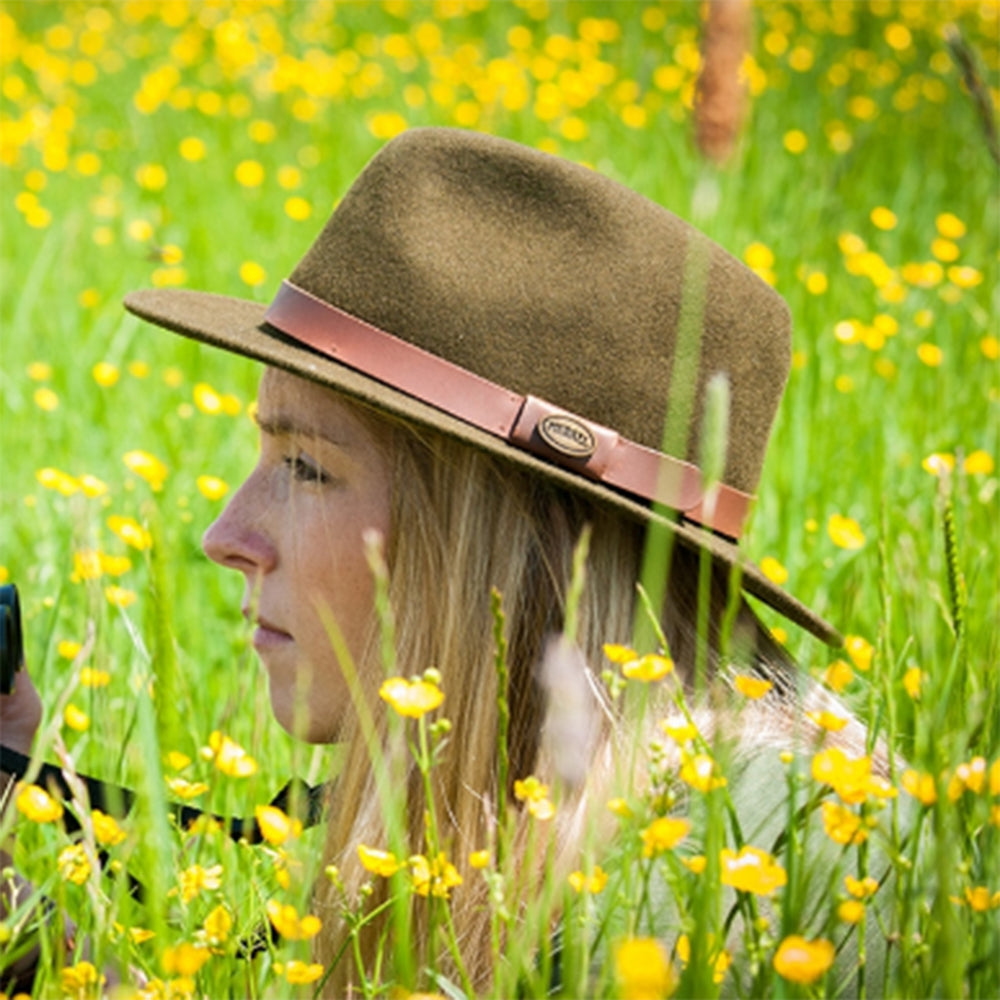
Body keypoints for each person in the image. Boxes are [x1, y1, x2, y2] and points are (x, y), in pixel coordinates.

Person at [3, 128, 873, 996]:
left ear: (504, 548)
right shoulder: (549, 819)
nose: (225, 536)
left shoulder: (741, 882)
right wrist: (27, 929)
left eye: (306, 466)